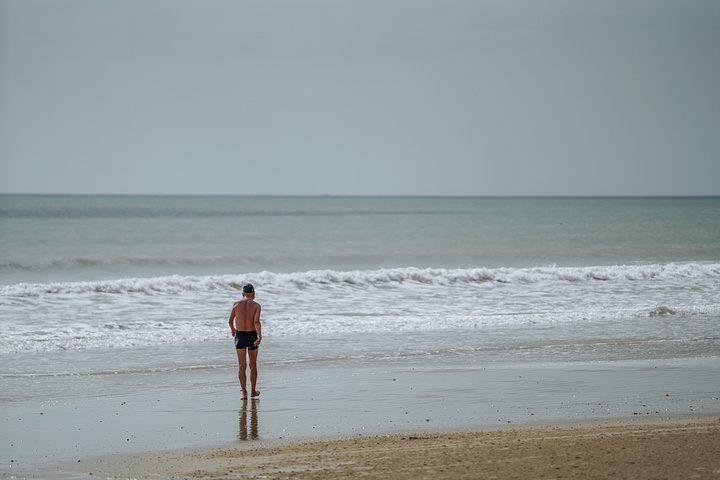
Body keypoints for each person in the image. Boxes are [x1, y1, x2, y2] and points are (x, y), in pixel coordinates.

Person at [228, 282, 262, 400]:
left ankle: (244, 393)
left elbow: (230, 320)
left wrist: (233, 330)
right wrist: (259, 336)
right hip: (252, 335)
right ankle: (253, 391)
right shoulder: (256, 305)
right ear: (254, 293)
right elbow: (256, 322)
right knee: (252, 365)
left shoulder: (236, 304)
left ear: (243, 294)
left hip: (240, 336)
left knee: (242, 366)